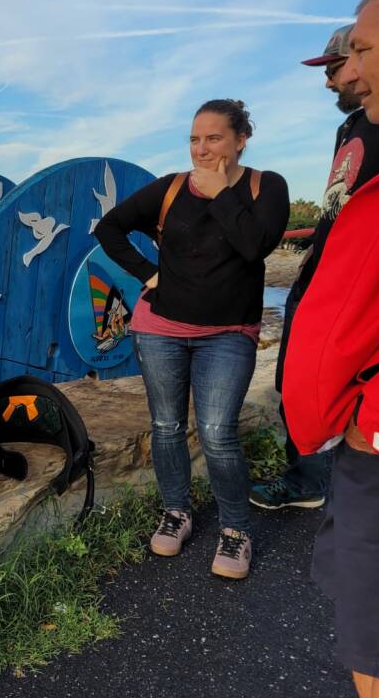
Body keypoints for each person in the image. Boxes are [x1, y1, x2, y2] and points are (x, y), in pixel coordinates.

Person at [96, 100, 289, 580]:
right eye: (194, 139)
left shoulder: (267, 186)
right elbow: (110, 228)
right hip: (160, 328)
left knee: (219, 434)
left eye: (214, 138)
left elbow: (255, 245)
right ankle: (177, 511)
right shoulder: (171, 187)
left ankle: (236, 530)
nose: (202, 149)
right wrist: (148, 273)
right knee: (165, 426)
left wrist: (223, 193)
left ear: (241, 139)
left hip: (228, 333)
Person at [283, 0, 379, 698]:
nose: (338, 76)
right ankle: (309, 467)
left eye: (351, 56)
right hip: (359, 402)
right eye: (335, 64)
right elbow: (344, 216)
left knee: (378, 626)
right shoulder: (350, 130)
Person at [250, 25, 379, 510]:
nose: (329, 81)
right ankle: (311, 477)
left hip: (362, 289)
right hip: (319, 280)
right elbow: (349, 205)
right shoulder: (352, 126)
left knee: (352, 379)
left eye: (333, 68)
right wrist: (319, 236)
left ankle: (336, 484)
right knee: (295, 376)